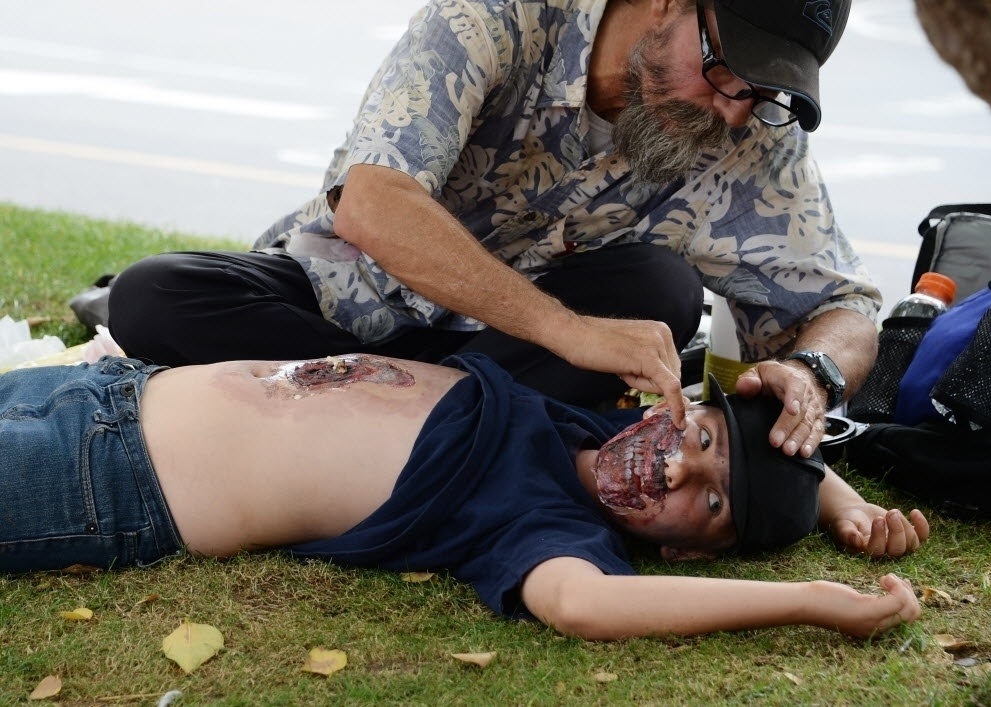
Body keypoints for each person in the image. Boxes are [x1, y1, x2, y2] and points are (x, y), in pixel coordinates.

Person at [107, 0, 881, 458]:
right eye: (722, 67)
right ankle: (446, 428)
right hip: (337, 308)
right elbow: (373, 203)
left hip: (502, 360)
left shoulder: (749, 131)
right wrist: (568, 331)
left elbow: (846, 302)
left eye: (764, 91)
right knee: (151, 297)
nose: (734, 109)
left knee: (660, 288)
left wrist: (813, 371)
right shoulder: (496, 15)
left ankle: (368, 422)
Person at [1, 352, 927, 640]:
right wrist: (839, 503)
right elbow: (759, 448)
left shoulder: (549, 528)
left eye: (709, 505)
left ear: (686, 552)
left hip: (111, 481)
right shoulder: (590, 427)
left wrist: (813, 600)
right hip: (115, 386)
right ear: (666, 410)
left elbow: (585, 605)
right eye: (699, 435)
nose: (678, 467)